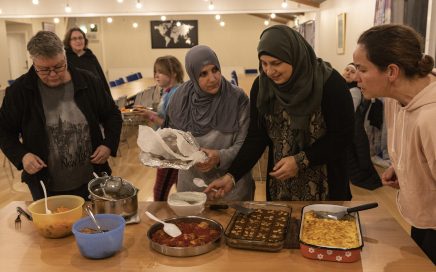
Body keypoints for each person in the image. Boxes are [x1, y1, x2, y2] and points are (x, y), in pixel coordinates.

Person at [205, 25, 354, 201]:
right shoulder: (263, 86)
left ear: (294, 56)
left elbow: (342, 137)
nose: (269, 71)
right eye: (264, 63)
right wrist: (232, 176)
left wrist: (300, 161)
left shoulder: (329, 84)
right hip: (282, 188)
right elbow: (256, 137)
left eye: (276, 63)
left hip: (326, 186)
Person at [0, 31, 122, 201]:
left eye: (58, 66)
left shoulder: (88, 80)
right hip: (45, 184)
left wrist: (108, 144)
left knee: (97, 226)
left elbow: (112, 114)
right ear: (33, 62)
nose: (53, 74)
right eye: (43, 70)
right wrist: (22, 155)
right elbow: (4, 131)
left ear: (65, 56)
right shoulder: (19, 91)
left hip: (93, 178)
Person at [353, 24, 435, 264]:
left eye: (362, 69)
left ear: (391, 71)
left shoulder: (431, 118)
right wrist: (405, 168)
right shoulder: (394, 98)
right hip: (421, 220)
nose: (356, 77)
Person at [167, 45, 254, 201]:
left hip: (231, 188)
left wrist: (219, 156)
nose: (213, 78)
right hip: (191, 189)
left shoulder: (237, 98)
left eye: (215, 70)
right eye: (203, 74)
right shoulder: (180, 99)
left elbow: (246, 145)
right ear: (193, 75)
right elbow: (171, 140)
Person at [134, 55, 184, 201]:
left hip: (171, 152)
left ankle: (159, 221)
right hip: (168, 149)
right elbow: (166, 118)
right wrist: (149, 112)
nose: (156, 76)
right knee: (181, 187)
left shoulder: (175, 95)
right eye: (155, 72)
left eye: (160, 72)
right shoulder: (169, 92)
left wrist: (151, 116)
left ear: (173, 73)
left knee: (159, 193)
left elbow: (173, 127)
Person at [342, 63, 382, 190]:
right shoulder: (345, 87)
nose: (348, 72)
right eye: (346, 69)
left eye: (352, 71)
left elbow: (349, 111)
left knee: (355, 155)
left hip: (353, 129)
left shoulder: (354, 90)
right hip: (352, 128)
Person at [63, 27, 111, 97]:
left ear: (84, 40)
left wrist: (108, 97)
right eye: (74, 39)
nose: (78, 41)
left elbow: (101, 78)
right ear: (69, 42)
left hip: (95, 96)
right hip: (75, 97)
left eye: (80, 38)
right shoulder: (65, 58)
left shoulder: (91, 56)